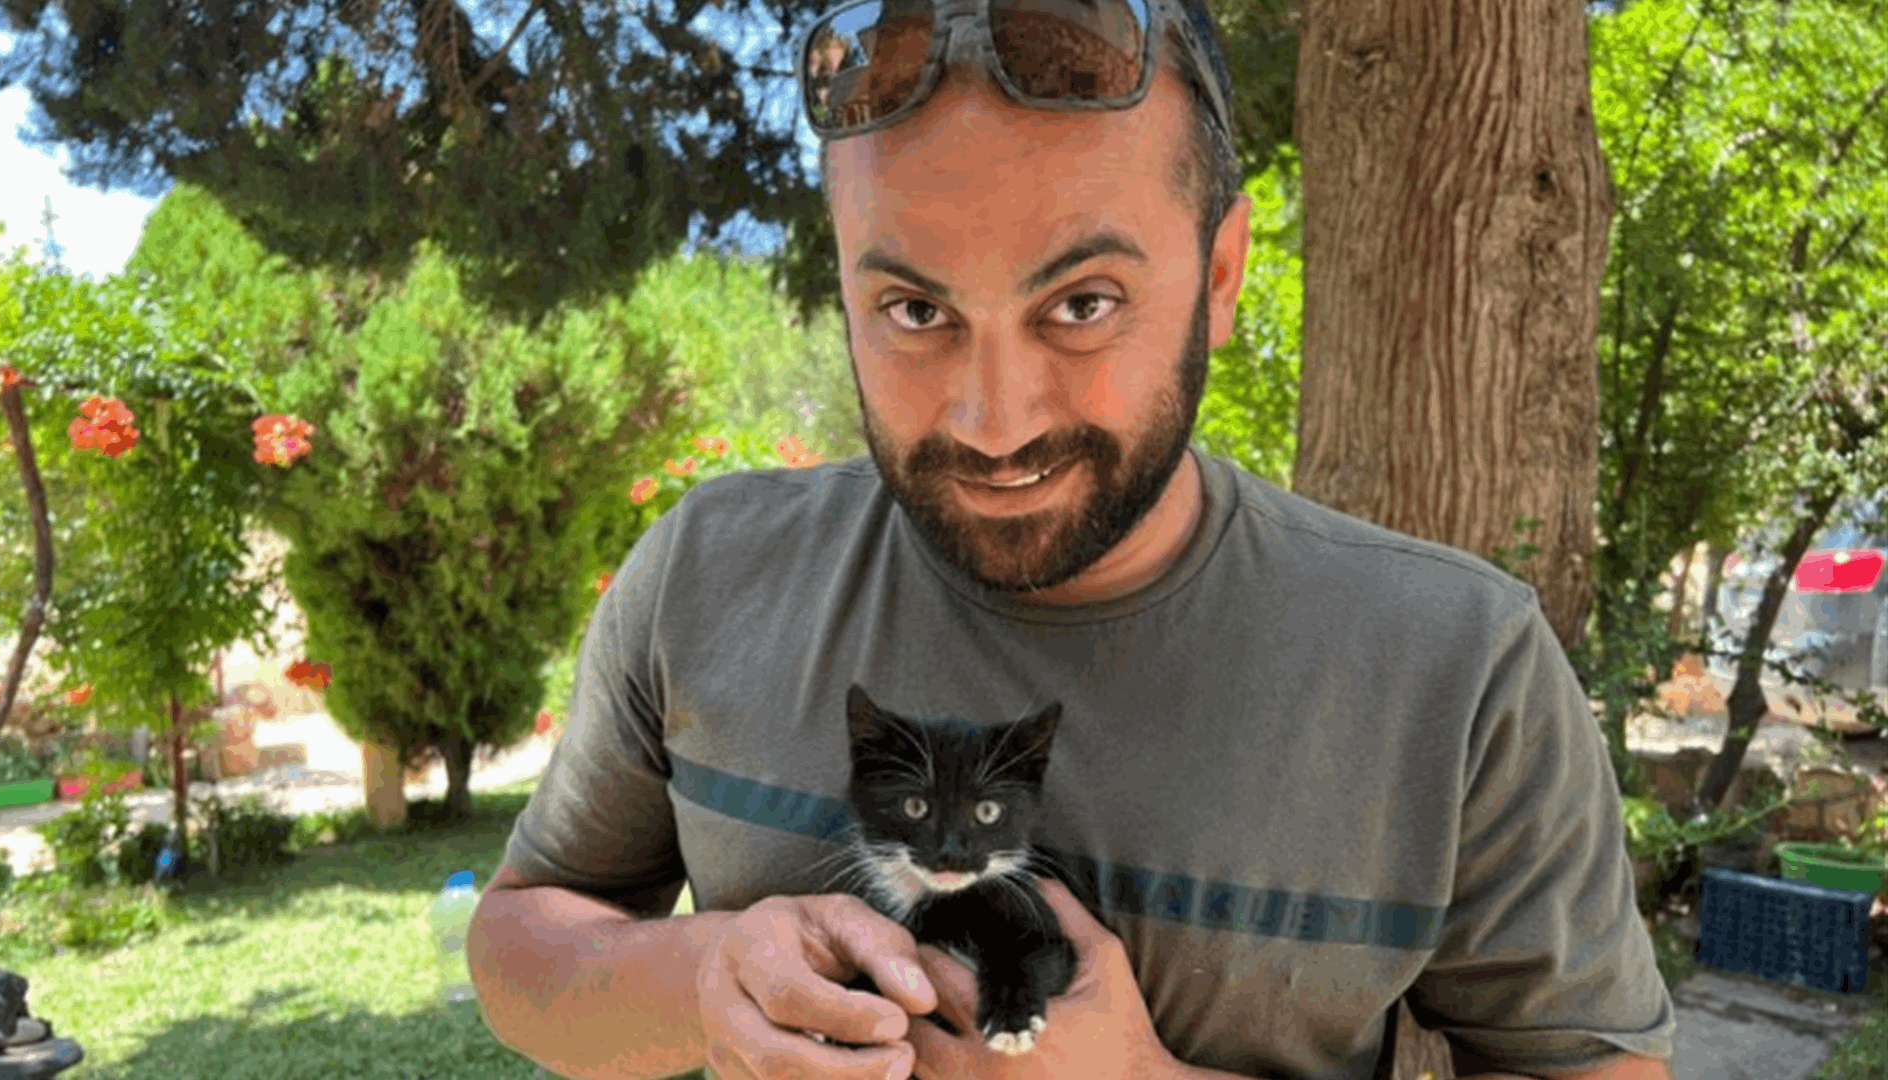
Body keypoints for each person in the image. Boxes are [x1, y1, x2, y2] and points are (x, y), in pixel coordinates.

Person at [466, 2, 1678, 1078]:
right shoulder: (706, 575)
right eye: (915, 309)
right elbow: (525, 941)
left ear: (1220, 274)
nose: (996, 422)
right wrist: (705, 981)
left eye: (1082, 303)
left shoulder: (1461, 667)